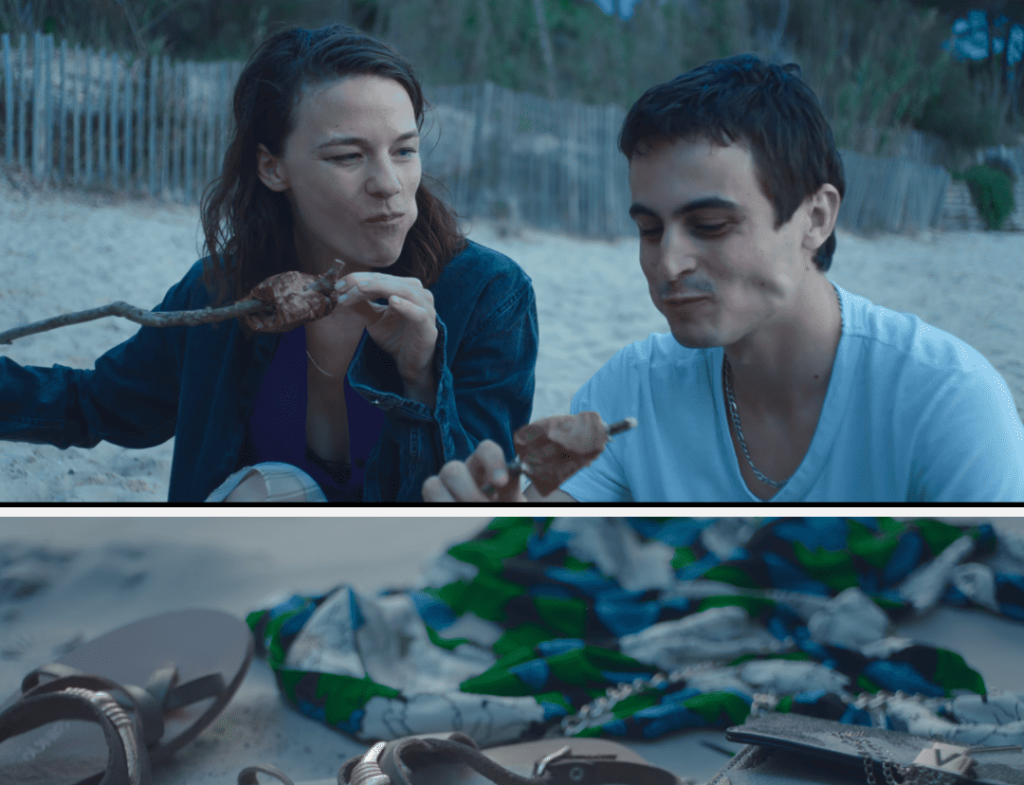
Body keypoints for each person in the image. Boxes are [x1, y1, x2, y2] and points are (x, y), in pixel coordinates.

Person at [423, 54, 1024, 504]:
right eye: (650, 230)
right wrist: (494, 516)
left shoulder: (946, 403)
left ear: (815, 218)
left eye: (709, 225)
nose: (668, 263)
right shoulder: (631, 391)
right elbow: (549, 556)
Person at [0, 25, 538, 502]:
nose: (388, 184)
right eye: (348, 156)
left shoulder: (489, 294)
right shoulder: (223, 293)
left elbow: (481, 500)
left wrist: (421, 380)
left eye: (404, 151)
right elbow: (98, 405)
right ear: (272, 167)